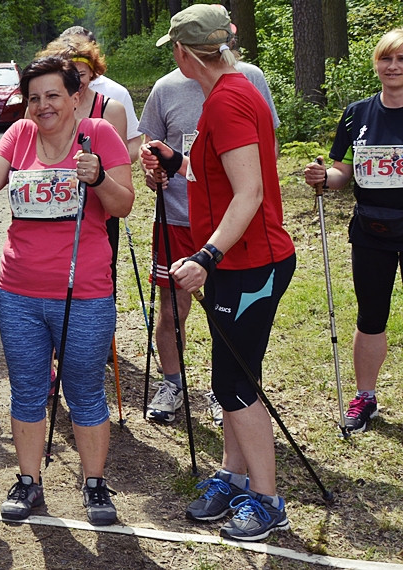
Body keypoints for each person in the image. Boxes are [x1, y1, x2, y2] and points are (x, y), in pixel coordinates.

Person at [0, 56, 134, 524]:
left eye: (53, 95)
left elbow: (124, 204)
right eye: (34, 97)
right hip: (19, 291)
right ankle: (28, 482)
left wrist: (98, 177)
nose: (42, 105)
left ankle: (95, 486)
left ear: (74, 97)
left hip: (85, 292)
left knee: (85, 392)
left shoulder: (99, 135)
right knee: (28, 391)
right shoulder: (19, 135)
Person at [143, 4, 296, 541]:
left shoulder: (229, 99)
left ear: (185, 53)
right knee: (230, 376)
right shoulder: (227, 92)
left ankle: (268, 499)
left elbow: (251, 192)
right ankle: (233, 475)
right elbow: (227, 175)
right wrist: (175, 161)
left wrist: (206, 255)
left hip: (251, 261)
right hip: (240, 259)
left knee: (236, 383)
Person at [140, 44, 281, 426]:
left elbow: (258, 167)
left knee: (233, 336)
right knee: (173, 310)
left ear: (184, 50)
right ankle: (178, 384)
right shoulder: (167, 88)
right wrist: (159, 163)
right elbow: (162, 151)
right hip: (180, 222)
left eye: (175, 48)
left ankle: (235, 398)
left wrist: (209, 253)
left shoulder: (240, 87)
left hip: (233, 237)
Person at [303, 28, 403, 434]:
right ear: (376, 63)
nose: (394, 67)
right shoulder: (357, 114)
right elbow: (343, 171)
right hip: (372, 230)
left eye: (401, 60)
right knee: (371, 317)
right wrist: (322, 177)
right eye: (387, 59)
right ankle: (366, 397)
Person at [39, 35, 129, 299]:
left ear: (93, 71)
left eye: (81, 74)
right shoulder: (42, 109)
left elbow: (118, 168)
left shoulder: (110, 109)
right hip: (52, 210)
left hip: (97, 215)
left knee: (97, 282)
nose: (75, 82)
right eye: (67, 75)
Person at [59, 26, 142, 162]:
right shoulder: (49, 99)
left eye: (81, 74)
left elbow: (134, 142)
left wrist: (108, 166)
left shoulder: (116, 94)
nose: (76, 80)